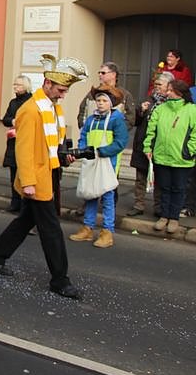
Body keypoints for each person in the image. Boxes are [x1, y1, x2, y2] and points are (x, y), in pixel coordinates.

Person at [0, 54, 88, 300]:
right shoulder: (30, 110)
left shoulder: (53, 107)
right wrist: (28, 182)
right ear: (47, 83)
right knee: (51, 229)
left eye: (66, 91)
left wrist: (64, 157)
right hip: (37, 179)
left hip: (49, 173)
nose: (63, 95)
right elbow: (24, 150)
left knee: (25, 220)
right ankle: (60, 280)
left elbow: (50, 145)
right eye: (61, 90)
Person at [69, 85, 129, 248]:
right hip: (91, 161)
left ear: (111, 103)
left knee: (108, 197)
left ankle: (107, 231)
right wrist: (82, 150)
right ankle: (88, 228)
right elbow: (83, 137)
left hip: (108, 162)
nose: (101, 103)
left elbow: (120, 142)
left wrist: (102, 152)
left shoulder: (117, 120)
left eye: (104, 100)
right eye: (98, 100)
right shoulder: (91, 120)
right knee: (90, 195)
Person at [143, 79, 196, 234]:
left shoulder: (192, 110)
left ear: (179, 93)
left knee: (178, 189)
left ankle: (174, 218)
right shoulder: (161, 108)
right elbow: (151, 130)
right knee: (164, 188)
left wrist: (189, 150)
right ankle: (164, 216)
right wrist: (148, 147)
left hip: (181, 159)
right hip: (161, 156)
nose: (167, 93)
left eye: (171, 90)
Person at [127, 72, 173, 217]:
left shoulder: (171, 104)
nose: (156, 87)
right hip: (142, 144)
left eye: (160, 84)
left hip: (160, 145)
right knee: (140, 177)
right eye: (156, 84)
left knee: (160, 178)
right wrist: (141, 111)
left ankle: (158, 207)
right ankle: (138, 205)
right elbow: (135, 121)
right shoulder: (148, 100)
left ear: (168, 86)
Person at [2, 75, 33, 213]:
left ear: (26, 86)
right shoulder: (13, 102)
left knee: (24, 174)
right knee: (13, 172)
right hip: (13, 141)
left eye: (18, 85)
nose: (15, 87)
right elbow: (5, 119)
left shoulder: (31, 102)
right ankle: (15, 203)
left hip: (26, 141)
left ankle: (25, 205)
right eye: (14, 84)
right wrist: (13, 121)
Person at [77, 61, 135, 130]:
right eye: (99, 73)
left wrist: (117, 132)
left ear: (113, 74)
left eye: (103, 73)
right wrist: (85, 130)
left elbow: (130, 119)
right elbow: (82, 114)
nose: (100, 75)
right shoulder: (92, 94)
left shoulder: (124, 95)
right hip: (92, 133)